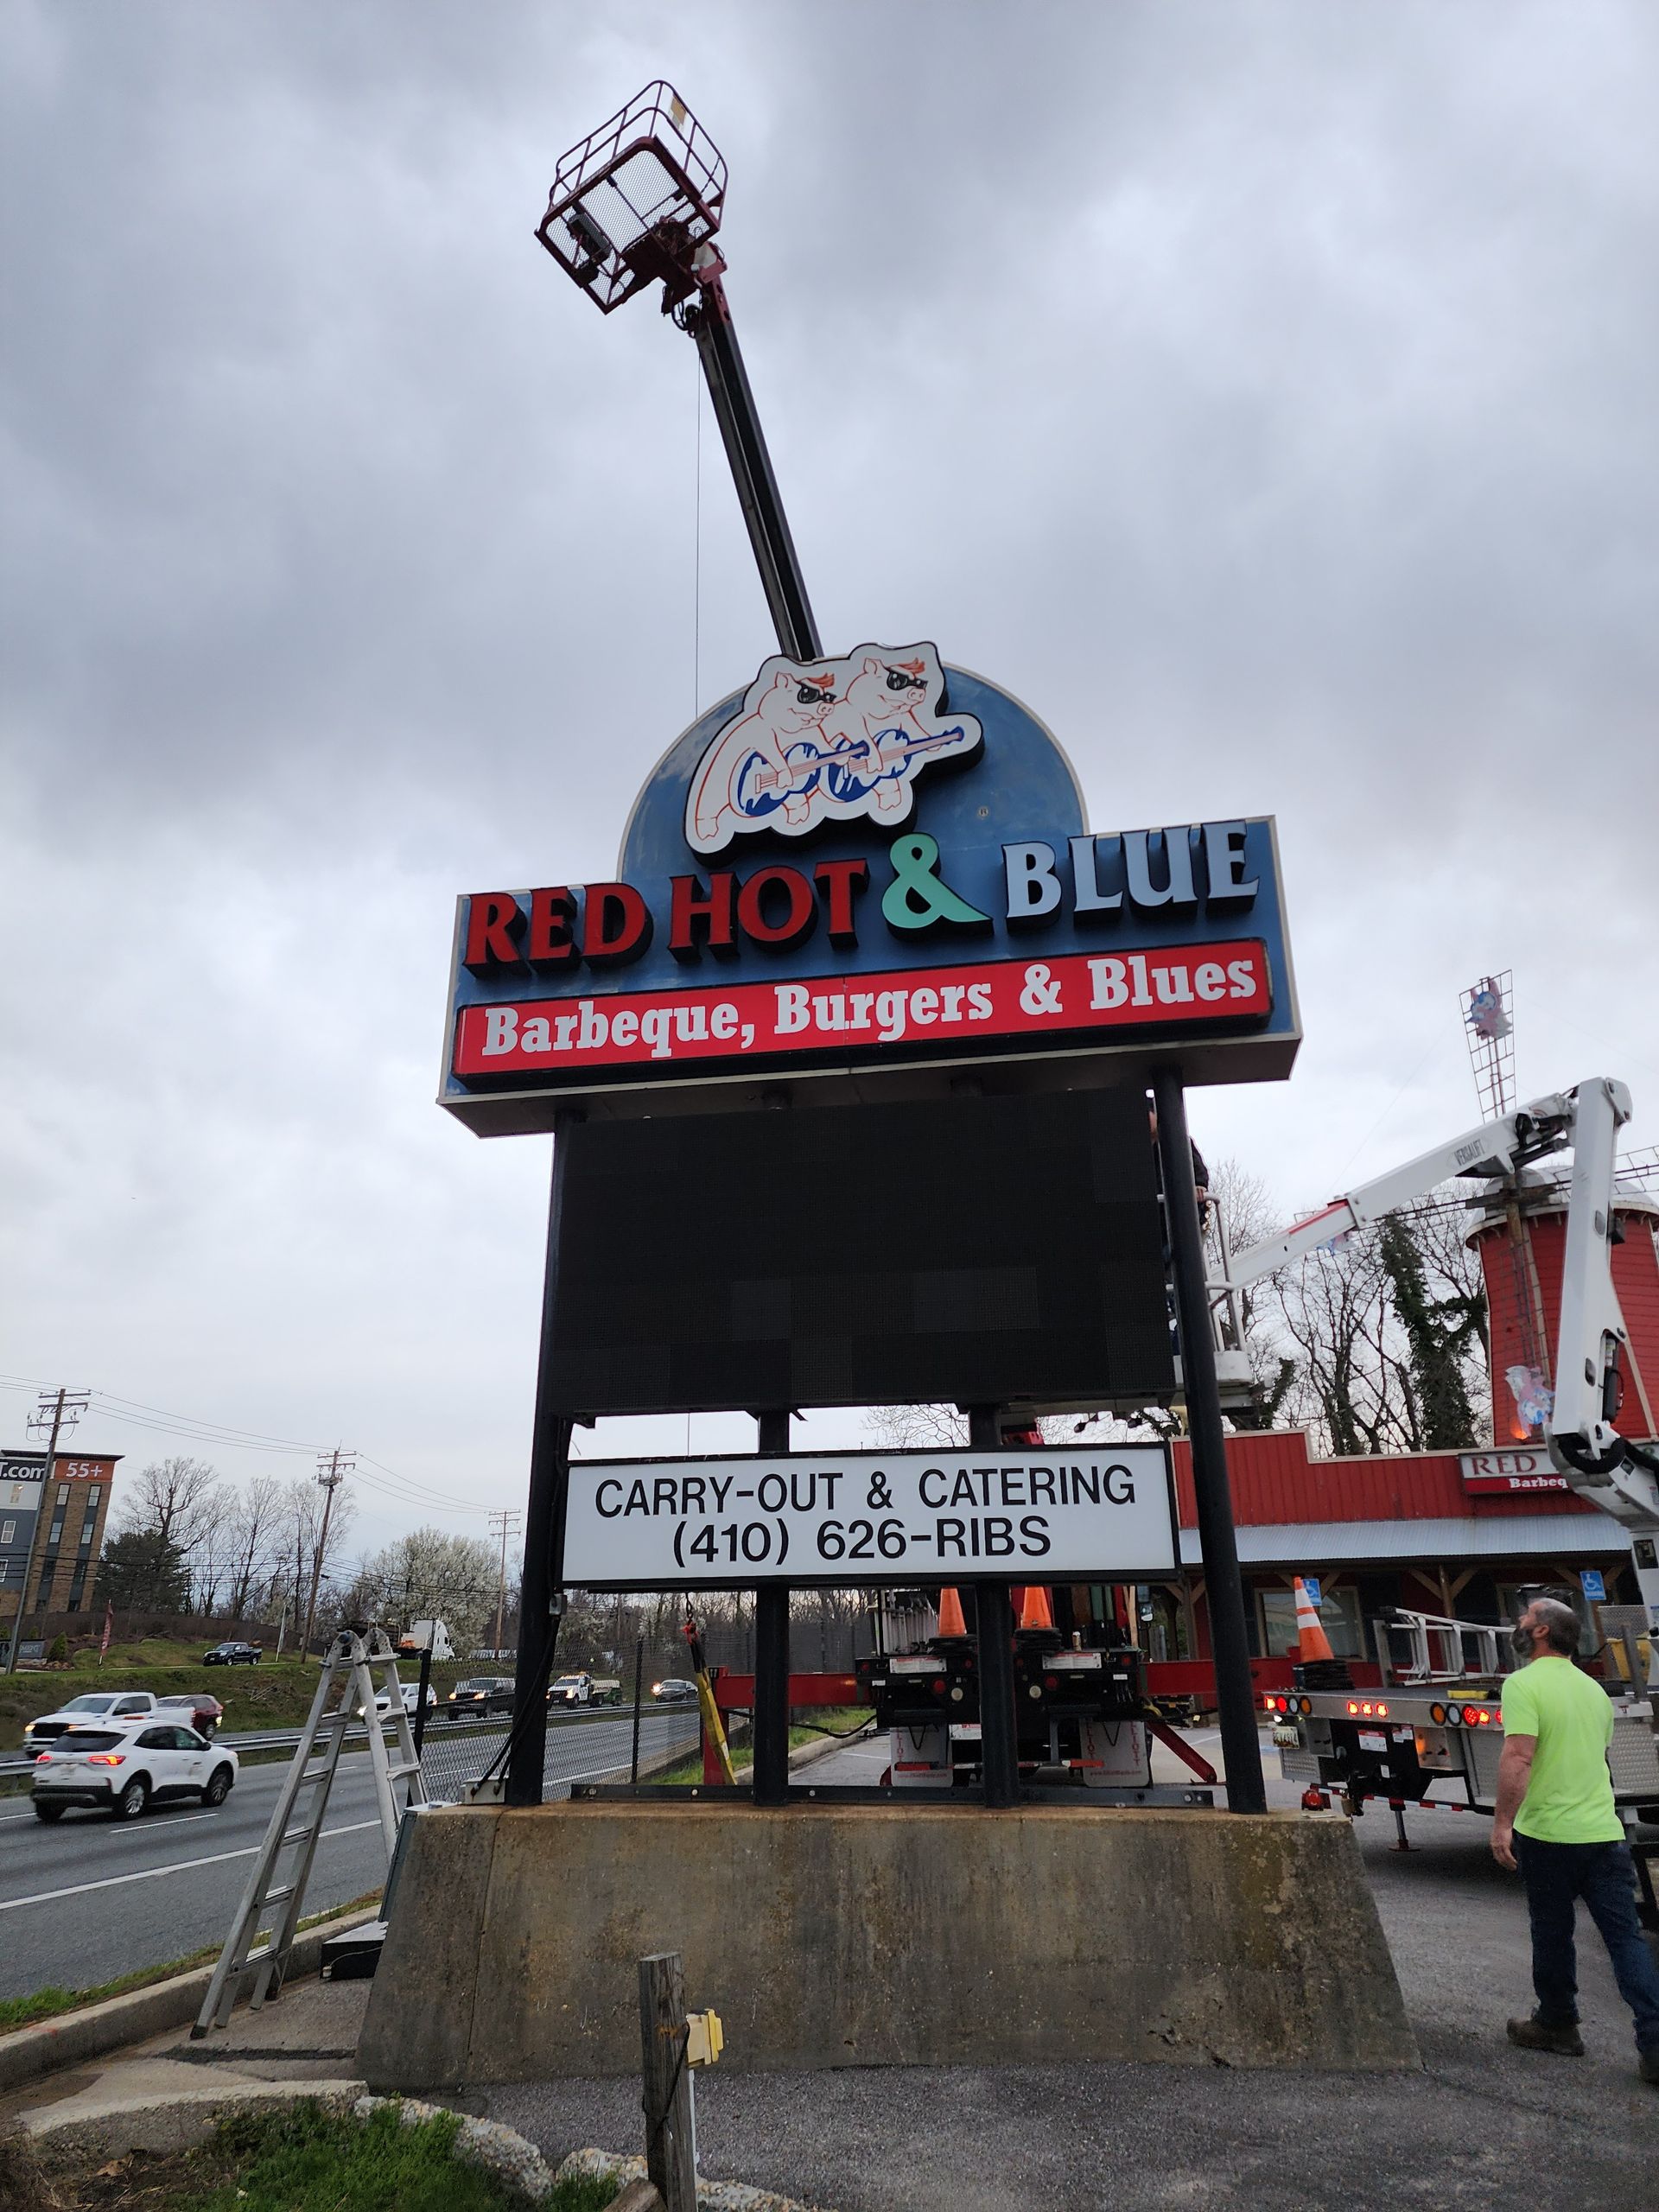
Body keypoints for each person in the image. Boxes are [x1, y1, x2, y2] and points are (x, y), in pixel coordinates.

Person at [1491, 1594, 1659, 2083]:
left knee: (1552, 1931)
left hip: (1549, 1834)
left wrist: (1503, 1823)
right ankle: (1655, 2042)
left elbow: (1520, 1757)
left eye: (1524, 1618)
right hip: (1604, 1834)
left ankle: (1558, 2024)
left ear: (1542, 1631)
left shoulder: (1523, 1684)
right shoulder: (1593, 1692)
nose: (1519, 1624)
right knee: (1625, 1940)